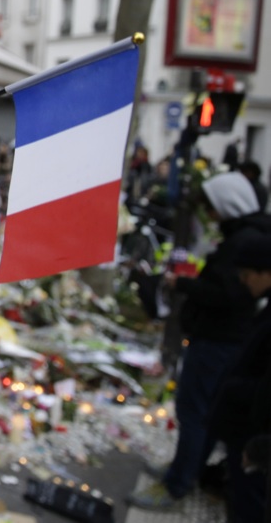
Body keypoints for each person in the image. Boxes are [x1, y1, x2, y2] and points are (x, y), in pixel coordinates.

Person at [129, 172, 271, 511]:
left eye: (211, 207)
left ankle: (177, 483)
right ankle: (185, 470)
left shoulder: (245, 242)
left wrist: (184, 285)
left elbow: (230, 294)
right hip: (221, 338)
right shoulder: (245, 235)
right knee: (203, 412)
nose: (209, 215)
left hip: (218, 339)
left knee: (194, 412)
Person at [209, 232, 271, 522]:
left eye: (247, 275)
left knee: (249, 504)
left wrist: (259, 447)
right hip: (248, 430)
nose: (244, 282)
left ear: (265, 273)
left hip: (254, 434)